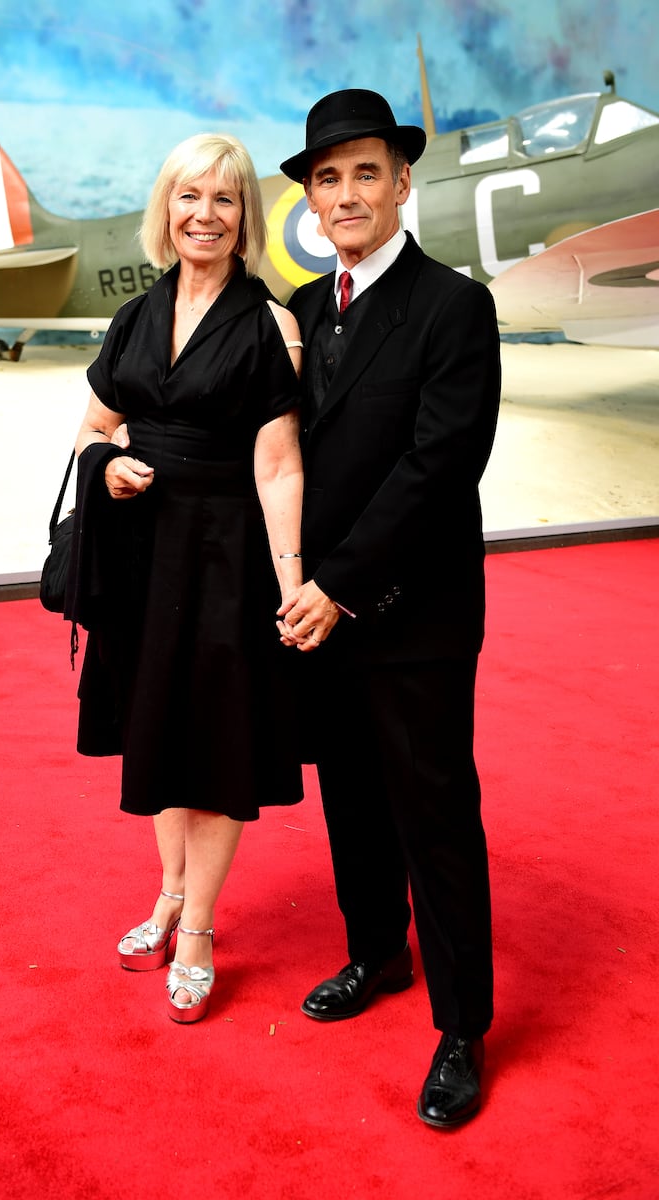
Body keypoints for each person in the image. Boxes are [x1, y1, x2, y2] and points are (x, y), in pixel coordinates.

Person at [276, 90, 501, 1127]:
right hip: (317, 614)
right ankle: (376, 954)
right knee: (351, 802)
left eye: (366, 171)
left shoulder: (452, 308)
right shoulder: (302, 313)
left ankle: (461, 1027)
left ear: (402, 181)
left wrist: (337, 585)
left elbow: (434, 467)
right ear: (312, 199)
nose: (347, 192)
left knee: (433, 816)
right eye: (328, 176)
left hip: (408, 612)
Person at [68, 132, 305, 1024]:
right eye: (188, 196)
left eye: (225, 199)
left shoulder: (267, 323)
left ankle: (199, 925)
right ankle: (168, 892)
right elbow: (93, 429)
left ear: (245, 218)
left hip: (225, 561)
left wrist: (289, 583)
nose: (204, 214)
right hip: (141, 556)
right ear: (165, 209)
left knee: (214, 745)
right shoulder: (135, 315)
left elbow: (280, 469)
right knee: (156, 735)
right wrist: (109, 465)